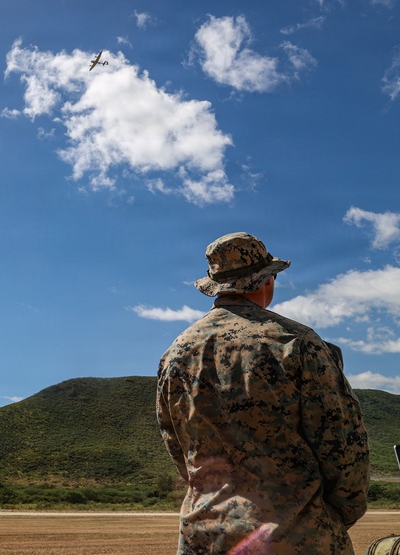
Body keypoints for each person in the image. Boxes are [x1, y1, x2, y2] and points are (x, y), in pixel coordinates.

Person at [156, 232, 369, 555]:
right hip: (297, 535)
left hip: (204, 535)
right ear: (267, 280)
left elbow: (176, 444)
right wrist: (335, 516)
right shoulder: (295, 341)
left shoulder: (177, 352)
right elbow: (342, 443)